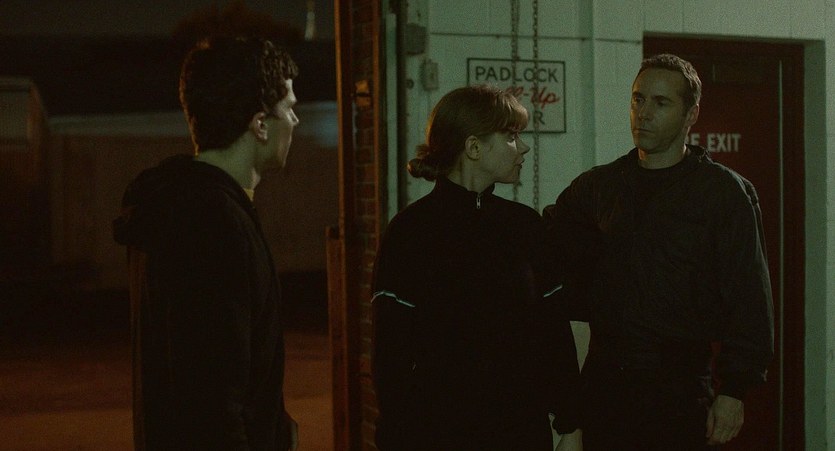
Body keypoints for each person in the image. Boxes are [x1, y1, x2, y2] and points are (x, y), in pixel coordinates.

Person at [542, 53, 774, 450]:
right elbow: (549, 253)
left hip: (678, 388)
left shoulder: (722, 194)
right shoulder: (600, 187)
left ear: (691, 114)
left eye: (661, 103)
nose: (644, 113)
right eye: (638, 99)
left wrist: (735, 390)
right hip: (606, 383)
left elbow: (749, 296)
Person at [112, 36, 300, 450]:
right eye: (289, 107)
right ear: (260, 124)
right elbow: (211, 402)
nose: (296, 120)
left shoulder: (180, 206)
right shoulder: (213, 225)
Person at [371, 84, 583, 450]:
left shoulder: (525, 226)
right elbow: (391, 356)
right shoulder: (410, 232)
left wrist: (570, 424)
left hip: (520, 434)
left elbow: (554, 334)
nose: (524, 147)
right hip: (438, 437)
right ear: (473, 147)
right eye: (511, 136)